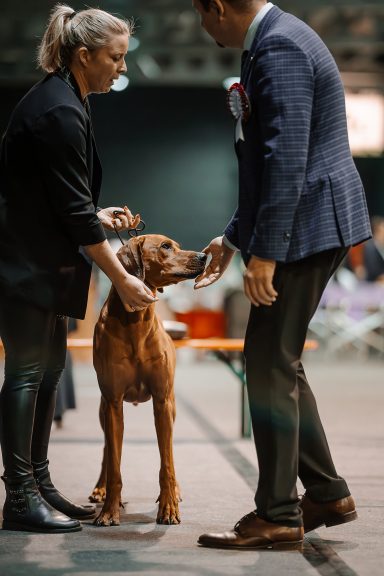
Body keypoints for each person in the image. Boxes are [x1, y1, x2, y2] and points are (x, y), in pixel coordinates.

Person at [192, 0, 371, 550]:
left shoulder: (280, 47)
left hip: (307, 226)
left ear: (218, 6)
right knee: (277, 361)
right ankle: (324, 491)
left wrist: (264, 253)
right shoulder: (274, 41)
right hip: (308, 222)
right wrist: (233, 237)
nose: (202, 26)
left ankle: (278, 513)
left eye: (200, 12)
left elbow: (287, 158)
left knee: (269, 361)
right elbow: (267, 163)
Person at [0, 4, 157, 534]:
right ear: (84, 55)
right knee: (25, 375)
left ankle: (39, 484)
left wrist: (95, 211)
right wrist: (122, 277)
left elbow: (58, 199)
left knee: (47, 373)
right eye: (114, 58)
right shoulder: (59, 110)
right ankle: (19, 496)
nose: (121, 67)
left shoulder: (69, 100)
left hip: (43, 264)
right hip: (24, 267)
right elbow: (68, 215)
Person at [363, 216, 384, 283]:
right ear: (377, 230)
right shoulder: (370, 247)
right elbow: (372, 268)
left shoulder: (381, 246)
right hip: (372, 284)